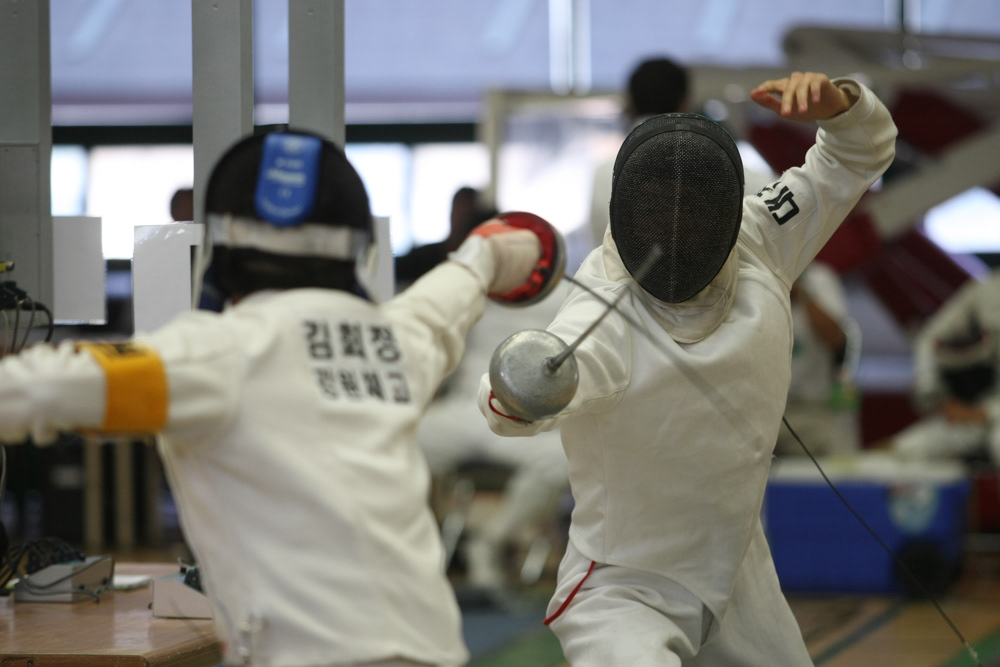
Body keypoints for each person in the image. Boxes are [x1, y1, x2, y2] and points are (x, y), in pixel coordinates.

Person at [0, 130, 557, 667]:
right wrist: (497, 252)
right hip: (434, 652)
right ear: (357, 247)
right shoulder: (400, 341)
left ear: (224, 250)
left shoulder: (212, 356)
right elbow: (461, 282)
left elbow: (30, 390)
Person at [479, 72, 896, 665]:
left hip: (739, 573)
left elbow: (859, 153)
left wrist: (842, 105)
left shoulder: (761, 235)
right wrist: (516, 394)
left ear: (726, 208)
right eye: (656, 206)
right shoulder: (601, 310)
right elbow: (519, 398)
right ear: (626, 208)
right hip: (625, 587)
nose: (675, 223)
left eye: (694, 208)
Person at [412, 186, 569, 591]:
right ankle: (410, 550)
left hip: (527, 421)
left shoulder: (566, 296)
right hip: (466, 410)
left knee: (562, 460)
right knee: (399, 441)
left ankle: (492, 541)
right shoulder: (473, 290)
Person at [589, 57, 775, 248]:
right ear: (685, 102)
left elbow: (598, 248)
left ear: (631, 105)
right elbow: (772, 198)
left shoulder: (603, 174)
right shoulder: (713, 166)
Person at [889, 269, 1000, 464]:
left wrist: (986, 412)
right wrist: (937, 398)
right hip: (975, 411)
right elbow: (928, 340)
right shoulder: (987, 289)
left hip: (989, 415)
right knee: (908, 449)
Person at [774, 260, 860, 456]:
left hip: (811, 408)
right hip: (762, 408)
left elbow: (836, 339)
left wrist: (803, 294)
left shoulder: (820, 279)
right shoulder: (753, 275)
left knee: (835, 453)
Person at [395, 186, 498, 287]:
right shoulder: (424, 256)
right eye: (457, 209)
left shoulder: (478, 263)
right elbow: (396, 268)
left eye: (466, 212)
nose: (460, 217)